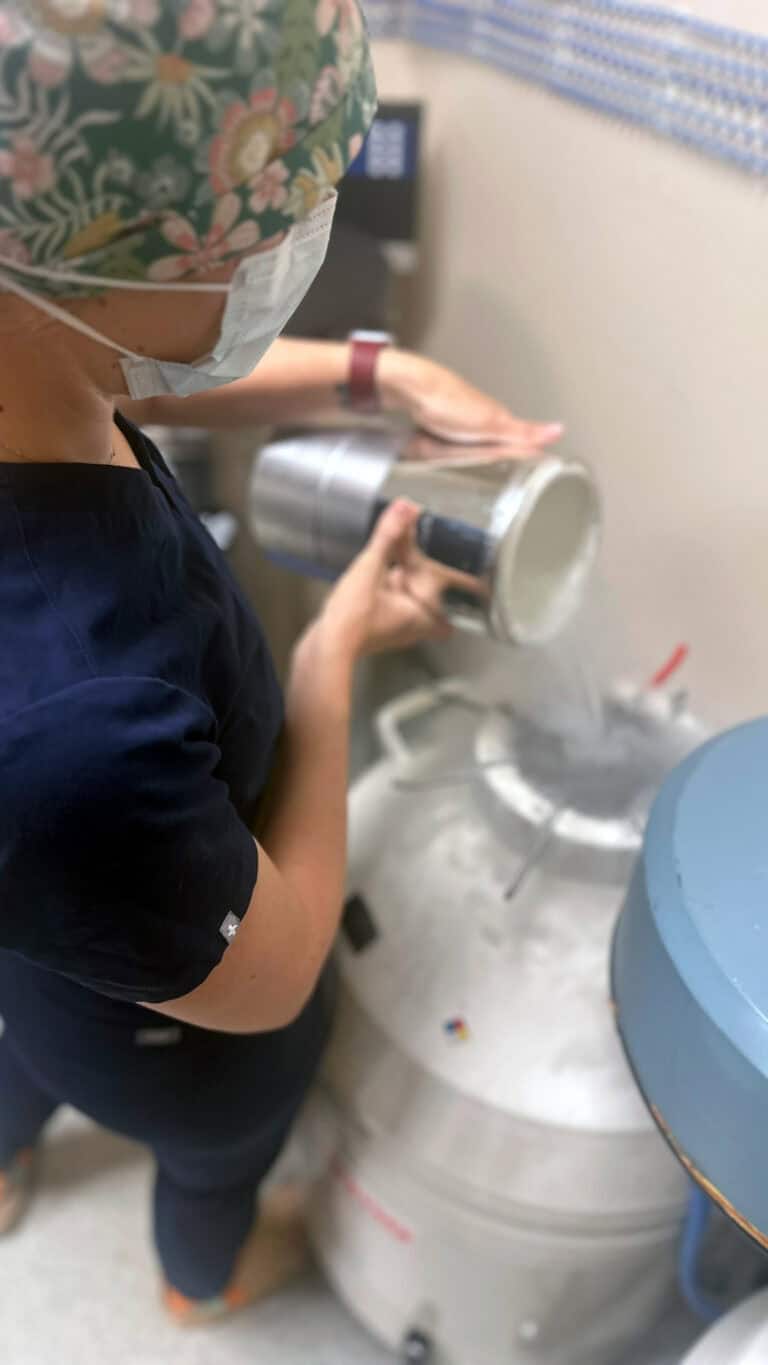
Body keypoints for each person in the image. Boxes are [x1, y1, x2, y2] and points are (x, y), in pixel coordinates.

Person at [0, 0, 562, 1327]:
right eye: (267, 224)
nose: (300, 243)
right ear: (78, 262)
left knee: (34, 1032)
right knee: (212, 1146)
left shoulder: (33, 358)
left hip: (51, 942)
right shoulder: (79, 729)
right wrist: (330, 655)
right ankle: (205, 1276)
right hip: (175, 1030)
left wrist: (375, 374)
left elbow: (93, 369)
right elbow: (278, 968)